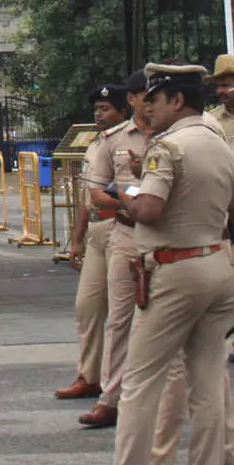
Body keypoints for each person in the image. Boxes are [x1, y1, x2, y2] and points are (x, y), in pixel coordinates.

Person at [74, 63, 234, 465]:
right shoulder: (220, 144)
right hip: (216, 264)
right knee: (208, 382)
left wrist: (127, 191)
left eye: (154, 100)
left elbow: (150, 209)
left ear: (177, 100)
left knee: (140, 382)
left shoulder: (168, 147)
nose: (147, 109)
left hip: (174, 269)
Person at [78, 69, 157, 429]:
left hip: (172, 236)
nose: (151, 102)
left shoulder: (182, 135)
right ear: (133, 99)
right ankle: (110, 396)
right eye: (146, 95)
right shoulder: (114, 140)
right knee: (120, 317)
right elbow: (96, 194)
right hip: (126, 232)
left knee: (173, 321)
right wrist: (132, 202)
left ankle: (171, 400)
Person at [56, 82, 128, 401]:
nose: (99, 114)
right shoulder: (97, 143)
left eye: (106, 108)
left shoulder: (129, 141)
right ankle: (90, 375)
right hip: (97, 230)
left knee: (121, 311)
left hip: (119, 227)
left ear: (122, 110)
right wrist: (78, 236)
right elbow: (88, 195)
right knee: (88, 307)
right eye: (97, 109)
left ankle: (116, 382)